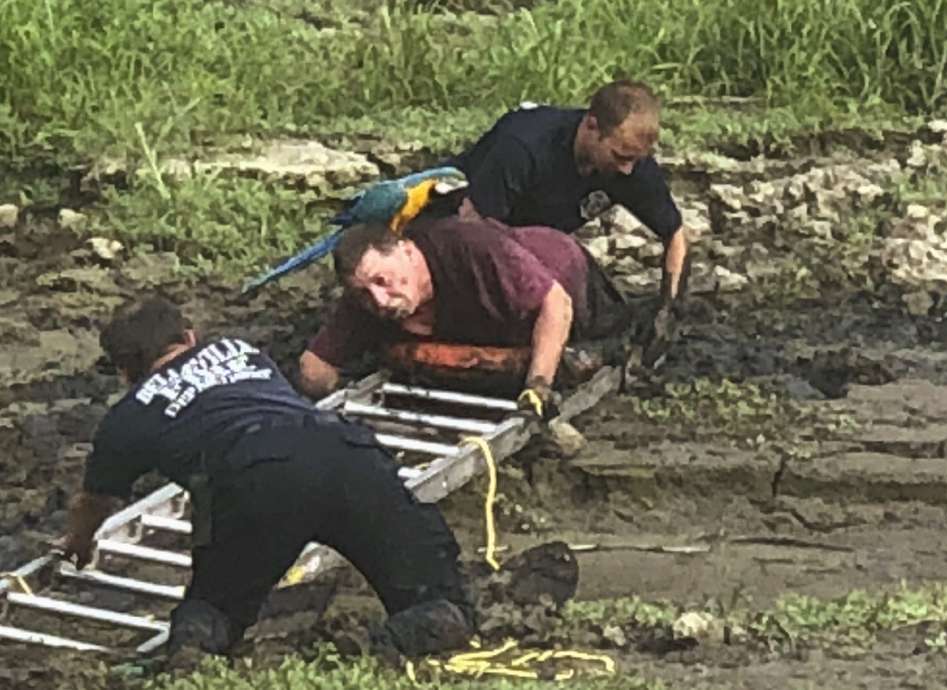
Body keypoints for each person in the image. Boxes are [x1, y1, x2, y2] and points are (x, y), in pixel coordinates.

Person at [58, 295, 475, 658]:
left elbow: (96, 500)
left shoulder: (129, 414)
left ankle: (193, 653)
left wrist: (78, 542)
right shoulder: (239, 350)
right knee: (437, 596)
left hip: (253, 472)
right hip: (343, 450)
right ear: (189, 336)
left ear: (127, 373)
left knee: (215, 608)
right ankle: (392, 640)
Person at [297, 215, 624, 409]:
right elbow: (313, 367)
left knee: (576, 355)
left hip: (562, 279)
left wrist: (538, 387)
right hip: (472, 341)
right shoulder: (366, 299)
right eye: (365, 293)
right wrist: (345, 397)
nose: (381, 300)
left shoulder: (470, 249)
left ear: (406, 251)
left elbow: (556, 304)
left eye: (384, 281)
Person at [445, 79, 692, 305]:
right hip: (457, 222)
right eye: (619, 157)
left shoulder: (631, 163)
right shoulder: (523, 147)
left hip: (532, 242)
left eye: (635, 160)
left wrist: (669, 307)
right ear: (591, 126)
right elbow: (471, 231)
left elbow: (675, 235)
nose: (627, 170)